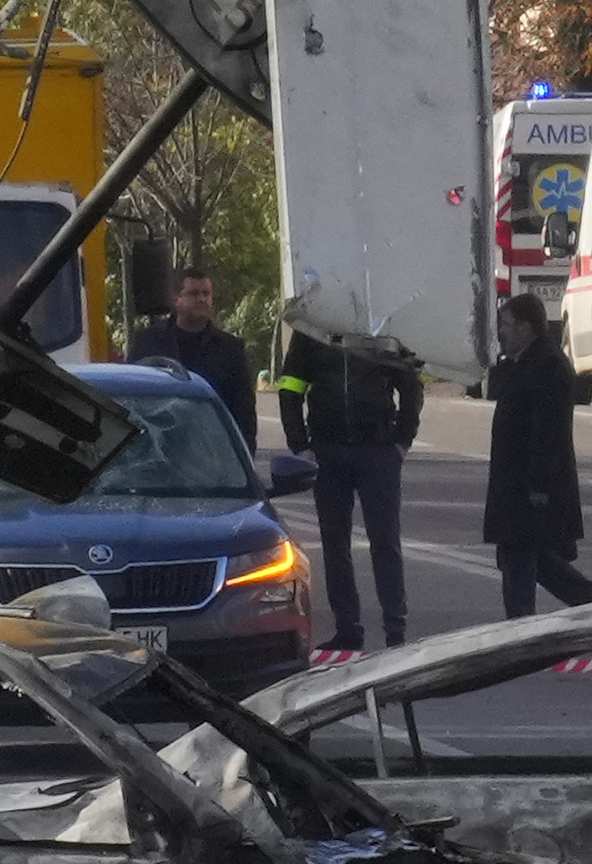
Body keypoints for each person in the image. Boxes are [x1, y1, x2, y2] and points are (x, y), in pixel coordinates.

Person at [275, 284, 427, 658]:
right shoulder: (314, 329)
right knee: (334, 543)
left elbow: (410, 384)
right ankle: (348, 630)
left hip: (377, 449)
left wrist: (401, 441)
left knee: (385, 542)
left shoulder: (383, 326)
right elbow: (291, 385)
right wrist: (300, 443)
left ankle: (396, 630)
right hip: (328, 450)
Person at [480, 292, 592, 614]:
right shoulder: (526, 362)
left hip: (529, 493)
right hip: (518, 490)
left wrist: (539, 487)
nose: (502, 332)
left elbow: (549, 435)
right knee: (542, 567)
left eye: (507, 325)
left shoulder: (548, 366)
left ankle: (521, 635)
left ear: (526, 327)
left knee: (521, 568)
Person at [132, 267, 263, 453]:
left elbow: (244, 409)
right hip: (158, 450)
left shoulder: (230, 348)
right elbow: (132, 399)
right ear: (177, 299)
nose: (201, 299)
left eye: (206, 294)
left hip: (212, 453)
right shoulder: (148, 342)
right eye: (193, 294)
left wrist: (245, 454)